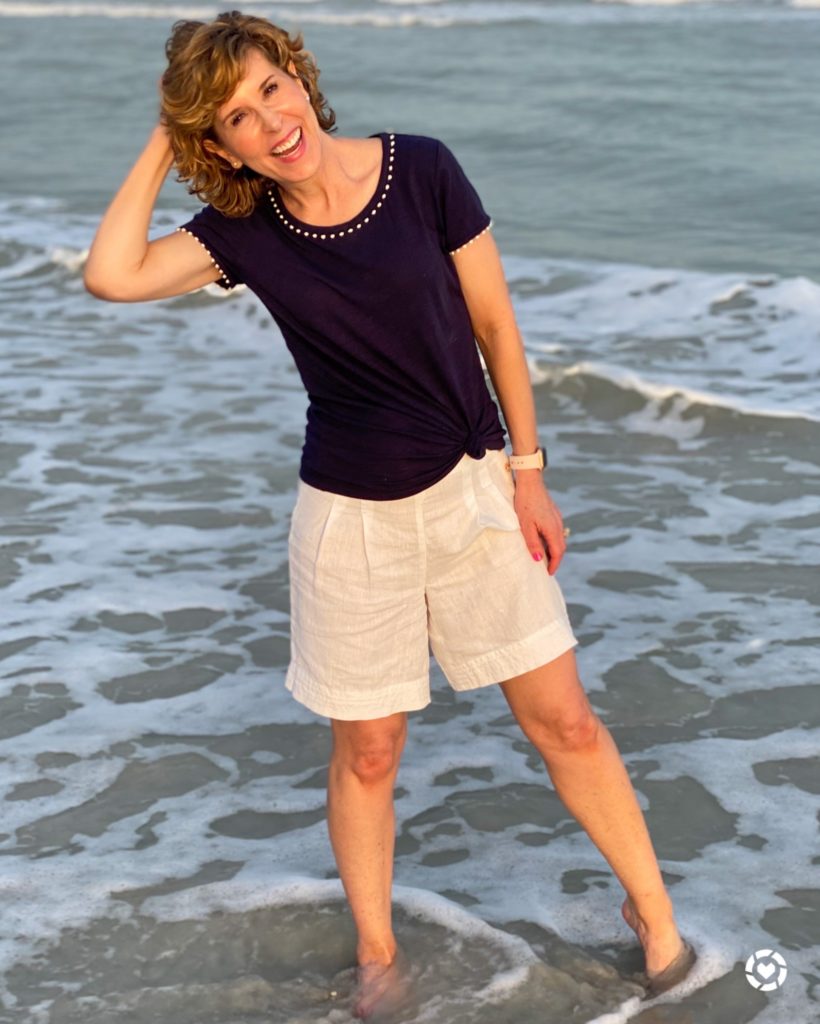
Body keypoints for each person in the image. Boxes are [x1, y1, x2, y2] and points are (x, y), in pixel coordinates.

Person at [84, 10, 697, 1018]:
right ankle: (377, 953)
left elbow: (497, 325)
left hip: (472, 492)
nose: (270, 121)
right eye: (235, 117)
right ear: (218, 142)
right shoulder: (243, 234)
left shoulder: (422, 170)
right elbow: (112, 274)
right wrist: (166, 128)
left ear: (299, 74)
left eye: (270, 88)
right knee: (369, 753)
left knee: (566, 722)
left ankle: (655, 918)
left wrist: (529, 474)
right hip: (348, 522)